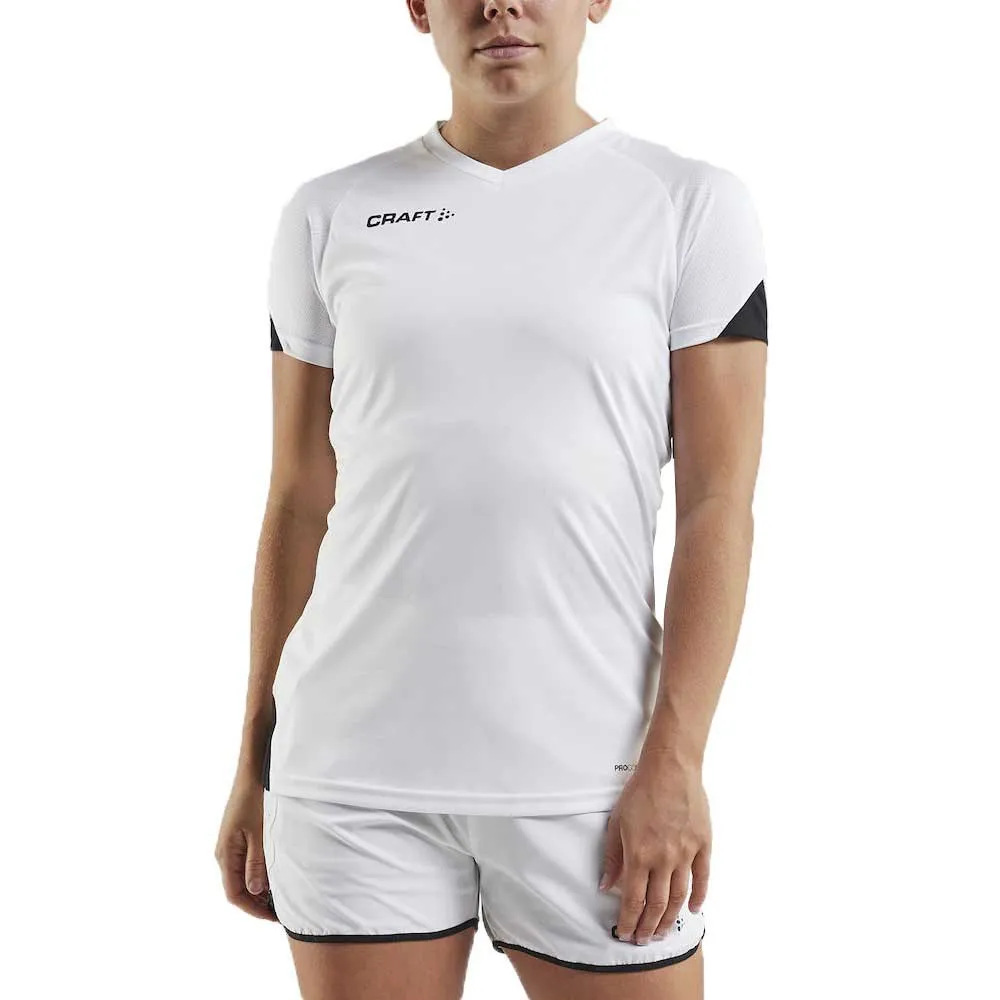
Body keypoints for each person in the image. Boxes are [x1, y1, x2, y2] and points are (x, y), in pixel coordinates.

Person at [215, 1, 768, 997]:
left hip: (591, 777)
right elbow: (299, 496)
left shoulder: (688, 204)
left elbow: (716, 506)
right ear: (418, 7)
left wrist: (677, 761)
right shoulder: (330, 212)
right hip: (349, 777)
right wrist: (255, 758)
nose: (501, 6)